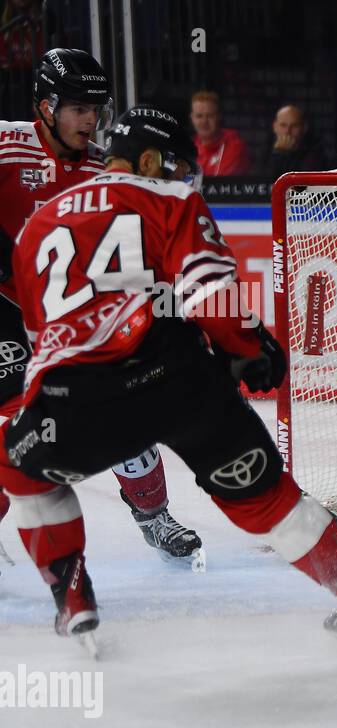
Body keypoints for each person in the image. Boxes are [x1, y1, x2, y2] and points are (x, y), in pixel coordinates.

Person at [1, 105, 337, 641]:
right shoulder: (171, 198)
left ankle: (73, 599)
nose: (183, 178)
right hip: (179, 379)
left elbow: (43, 336)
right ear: (147, 160)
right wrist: (249, 347)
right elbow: (211, 292)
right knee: (266, 498)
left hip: (77, 395)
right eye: (174, 165)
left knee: (22, 476)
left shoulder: (38, 224)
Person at [1, 48, 201, 562]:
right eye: (77, 108)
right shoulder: (6, 144)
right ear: (44, 106)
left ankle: (153, 516)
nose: (91, 120)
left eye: (96, 108)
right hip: (4, 310)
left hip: (74, 313)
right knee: (11, 427)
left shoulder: (105, 164)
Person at [190, 90, 249, 176]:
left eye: (210, 116)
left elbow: (223, 183)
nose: (204, 121)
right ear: (192, 118)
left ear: (219, 117)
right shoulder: (189, 148)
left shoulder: (235, 146)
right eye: (199, 116)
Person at [266, 103, 324, 177]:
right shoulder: (265, 151)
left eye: (294, 126)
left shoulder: (314, 154)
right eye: (283, 125)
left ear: (304, 128)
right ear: (274, 126)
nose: (287, 131)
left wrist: (284, 155)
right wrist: (278, 154)